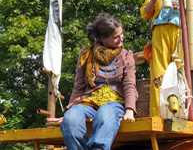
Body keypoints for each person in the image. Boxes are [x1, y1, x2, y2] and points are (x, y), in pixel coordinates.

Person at [48, 13, 138, 150]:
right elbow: (78, 86)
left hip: (115, 103)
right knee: (71, 118)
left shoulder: (126, 55)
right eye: (116, 37)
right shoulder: (87, 54)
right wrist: (69, 111)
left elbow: (130, 84)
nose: (122, 39)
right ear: (103, 39)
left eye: (122, 34)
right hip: (89, 100)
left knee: (105, 113)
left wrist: (130, 110)